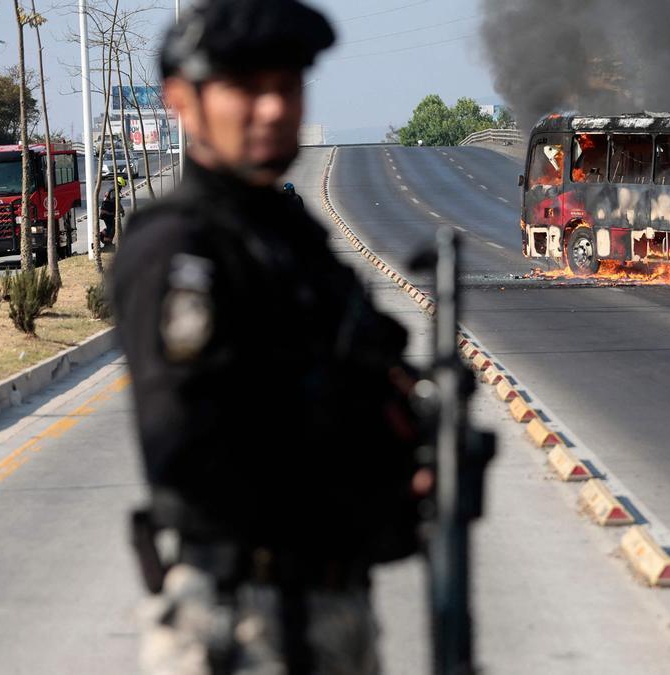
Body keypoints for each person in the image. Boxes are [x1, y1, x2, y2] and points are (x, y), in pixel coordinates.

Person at [111, 1, 427, 672]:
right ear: (182, 102)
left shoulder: (290, 239)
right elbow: (186, 450)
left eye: (285, 86)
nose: (271, 108)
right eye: (244, 88)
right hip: (241, 619)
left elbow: (372, 367)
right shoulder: (181, 246)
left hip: (330, 605)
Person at [99, 176, 127, 245]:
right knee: (111, 229)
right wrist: (121, 210)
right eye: (120, 186)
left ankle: (101, 236)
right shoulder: (113, 191)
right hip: (107, 213)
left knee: (111, 228)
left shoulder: (112, 190)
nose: (121, 188)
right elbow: (115, 201)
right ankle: (107, 243)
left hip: (107, 212)